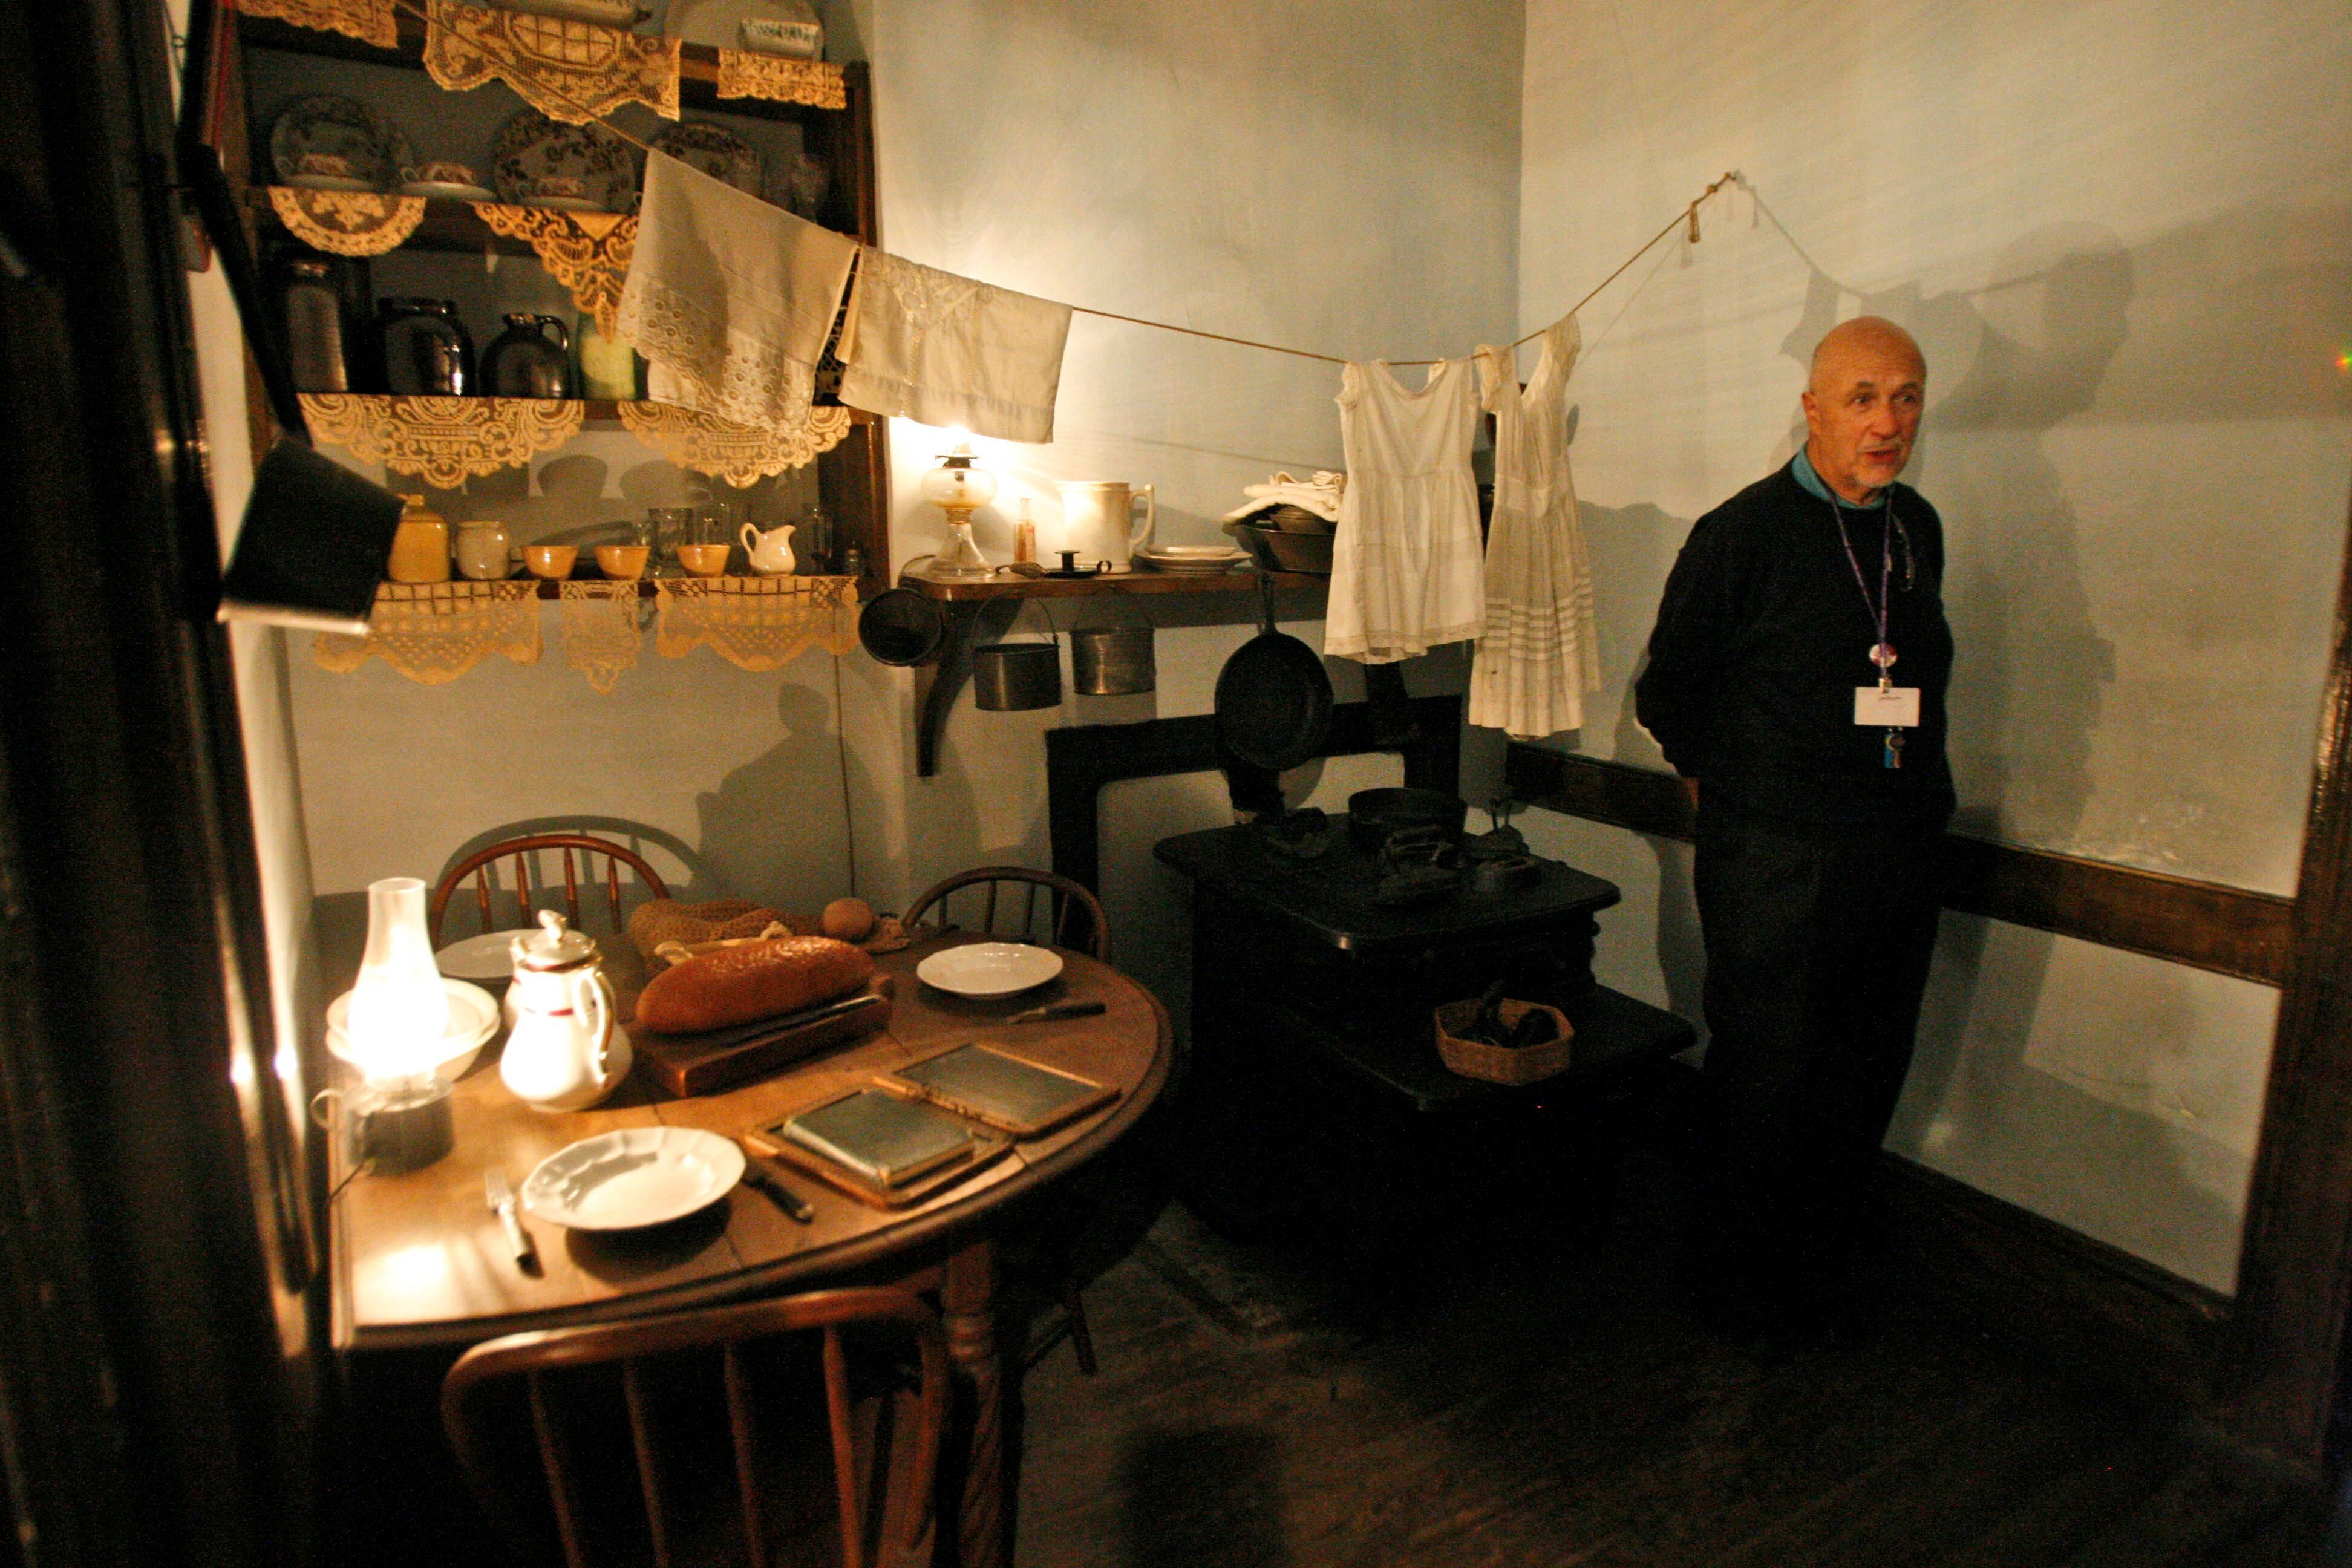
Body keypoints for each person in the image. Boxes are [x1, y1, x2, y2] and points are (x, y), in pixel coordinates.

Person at [1633, 316, 1954, 1337]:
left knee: (1867, 1069)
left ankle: (1816, 1277)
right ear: (1811, 411)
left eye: (1906, 396)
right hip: (1780, 858)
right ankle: (1734, 1295)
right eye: (1862, 399)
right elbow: (1668, 691)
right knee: (1769, 1078)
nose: (1887, 421)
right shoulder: (1744, 534)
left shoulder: (1917, 528)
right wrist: (1724, 795)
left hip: (1897, 850)